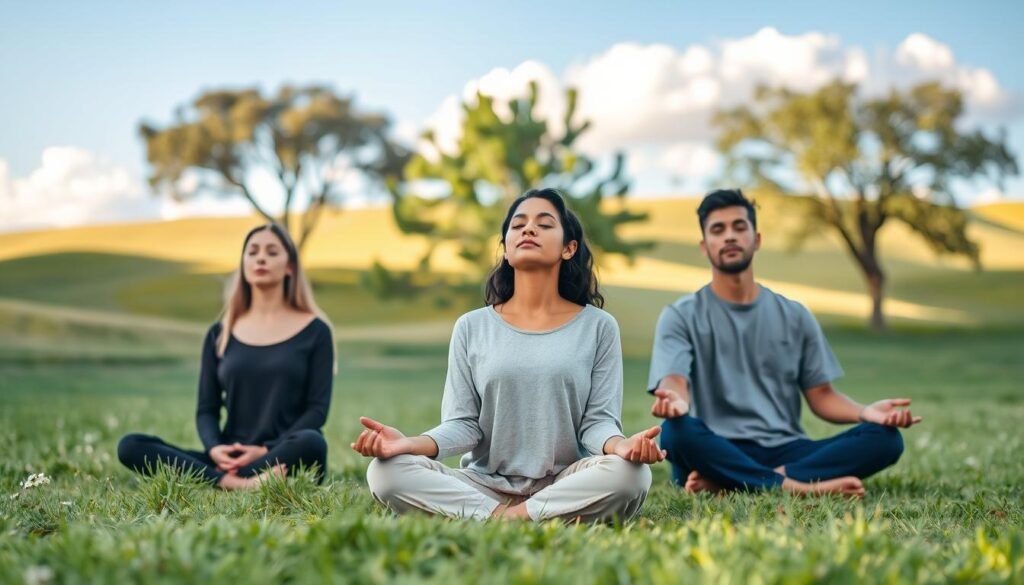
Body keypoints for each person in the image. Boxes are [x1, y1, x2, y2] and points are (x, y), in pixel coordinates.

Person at [352, 188, 662, 522]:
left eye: (544, 224)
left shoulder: (598, 326)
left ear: (569, 248)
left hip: (567, 482)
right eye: (518, 225)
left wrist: (621, 447)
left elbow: (597, 423)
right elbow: (463, 425)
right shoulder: (471, 326)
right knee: (385, 472)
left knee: (631, 475)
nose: (528, 229)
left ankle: (495, 519)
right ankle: (514, 516)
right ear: (506, 248)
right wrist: (409, 444)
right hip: (483, 484)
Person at [649, 189, 921, 497]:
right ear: (704, 246)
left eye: (739, 226)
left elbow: (822, 396)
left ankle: (736, 482)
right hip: (715, 447)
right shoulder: (680, 315)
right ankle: (796, 485)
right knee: (675, 431)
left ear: (756, 239)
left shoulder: (794, 314)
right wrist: (676, 401)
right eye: (718, 229)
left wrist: (866, 413)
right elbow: (674, 381)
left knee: (886, 439)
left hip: (784, 448)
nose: (729, 236)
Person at [118, 223, 334, 489]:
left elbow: (317, 410)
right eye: (252, 252)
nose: (261, 258)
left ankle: (217, 480)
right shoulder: (219, 334)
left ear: (290, 266)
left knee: (312, 442)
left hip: (284, 454)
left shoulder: (316, 331)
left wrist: (265, 450)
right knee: (130, 445)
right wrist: (214, 448)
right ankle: (238, 483)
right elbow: (207, 410)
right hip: (229, 458)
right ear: (243, 264)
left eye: (272, 252)